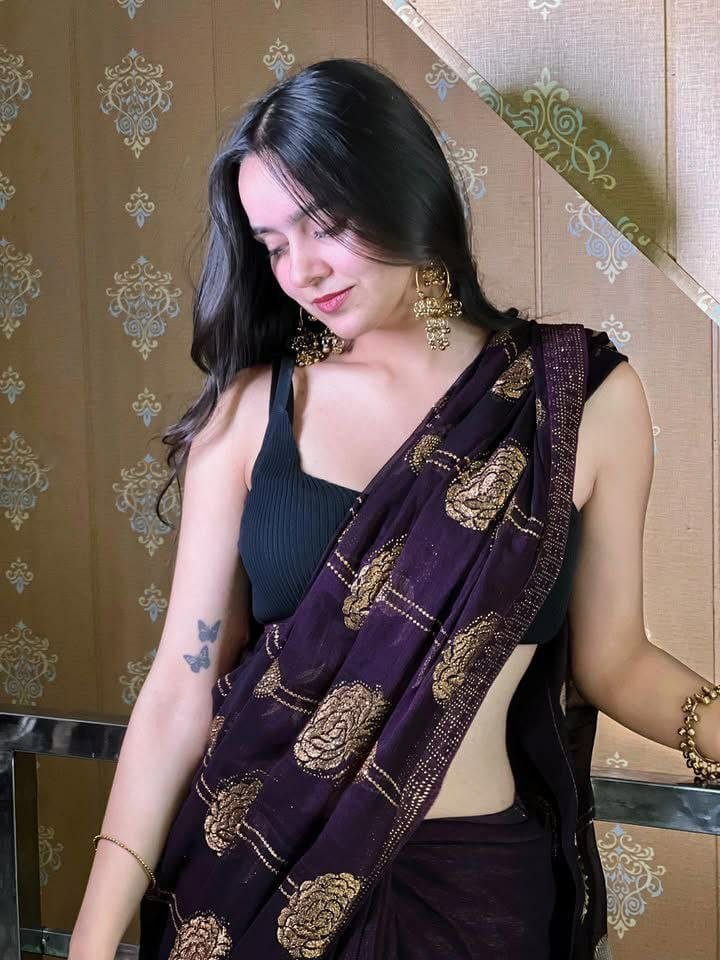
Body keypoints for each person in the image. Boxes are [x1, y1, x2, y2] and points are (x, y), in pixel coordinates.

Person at [69, 58, 720, 960]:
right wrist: (92, 941)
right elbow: (180, 691)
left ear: (407, 192)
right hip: (251, 884)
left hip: (476, 895)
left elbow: (616, 663)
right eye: (271, 244)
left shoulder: (573, 401)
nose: (300, 270)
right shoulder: (253, 413)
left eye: (323, 225)